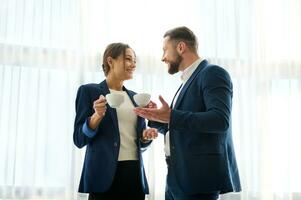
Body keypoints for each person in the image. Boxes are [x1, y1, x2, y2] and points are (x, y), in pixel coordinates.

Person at [134, 27, 241, 200]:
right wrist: (156, 118)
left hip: (198, 180)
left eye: (164, 50)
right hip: (177, 178)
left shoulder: (212, 73)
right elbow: (183, 127)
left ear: (181, 47)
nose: (163, 58)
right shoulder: (187, 81)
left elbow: (220, 120)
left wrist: (171, 116)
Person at [73, 42, 158, 200]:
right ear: (110, 61)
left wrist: (145, 137)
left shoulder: (135, 97)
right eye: (128, 59)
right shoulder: (89, 91)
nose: (133, 64)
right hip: (102, 176)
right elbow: (79, 139)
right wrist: (96, 116)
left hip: (134, 175)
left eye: (134, 61)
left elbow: (139, 140)